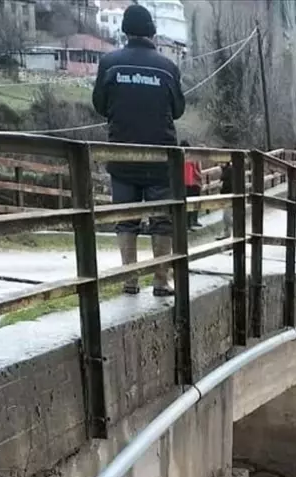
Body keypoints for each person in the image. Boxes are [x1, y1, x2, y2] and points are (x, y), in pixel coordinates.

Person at [91, 4, 185, 296]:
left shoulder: (110, 64)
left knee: (126, 219)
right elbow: (178, 110)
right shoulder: (167, 68)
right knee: (161, 220)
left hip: (122, 157)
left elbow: (99, 104)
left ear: (125, 31)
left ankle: (129, 280)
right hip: (160, 158)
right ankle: (161, 281)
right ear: (152, 33)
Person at [181, 141, 202, 230]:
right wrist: (200, 179)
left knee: (185, 205)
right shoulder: (193, 158)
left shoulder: (180, 157)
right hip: (193, 183)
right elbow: (197, 171)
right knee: (192, 204)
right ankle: (191, 223)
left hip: (183, 183)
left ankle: (187, 224)